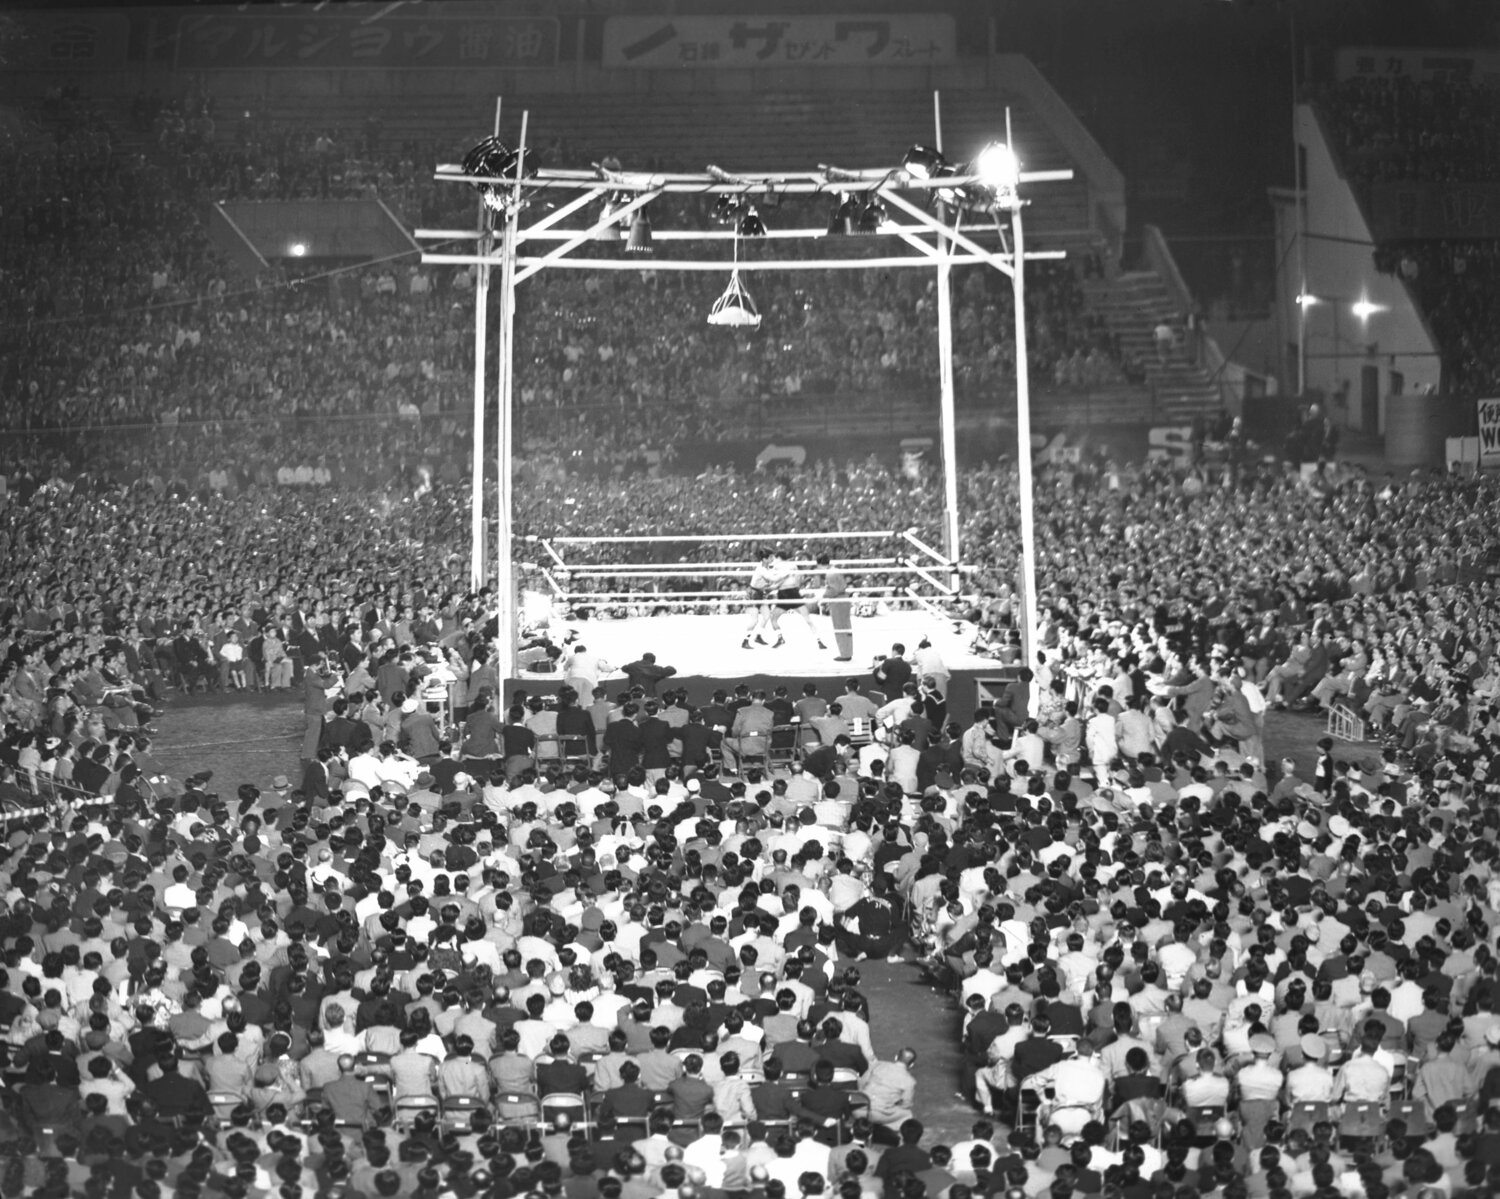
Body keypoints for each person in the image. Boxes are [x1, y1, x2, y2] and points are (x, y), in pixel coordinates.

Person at [817, 553, 854, 661]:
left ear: (820, 564)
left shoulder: (830, 573)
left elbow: (834, 590)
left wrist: (823, 596)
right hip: (842, 599)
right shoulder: (835, 570)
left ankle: (845, 654)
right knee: (845, 627)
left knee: (840, 627)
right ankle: (847, 652)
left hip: (838, 600)